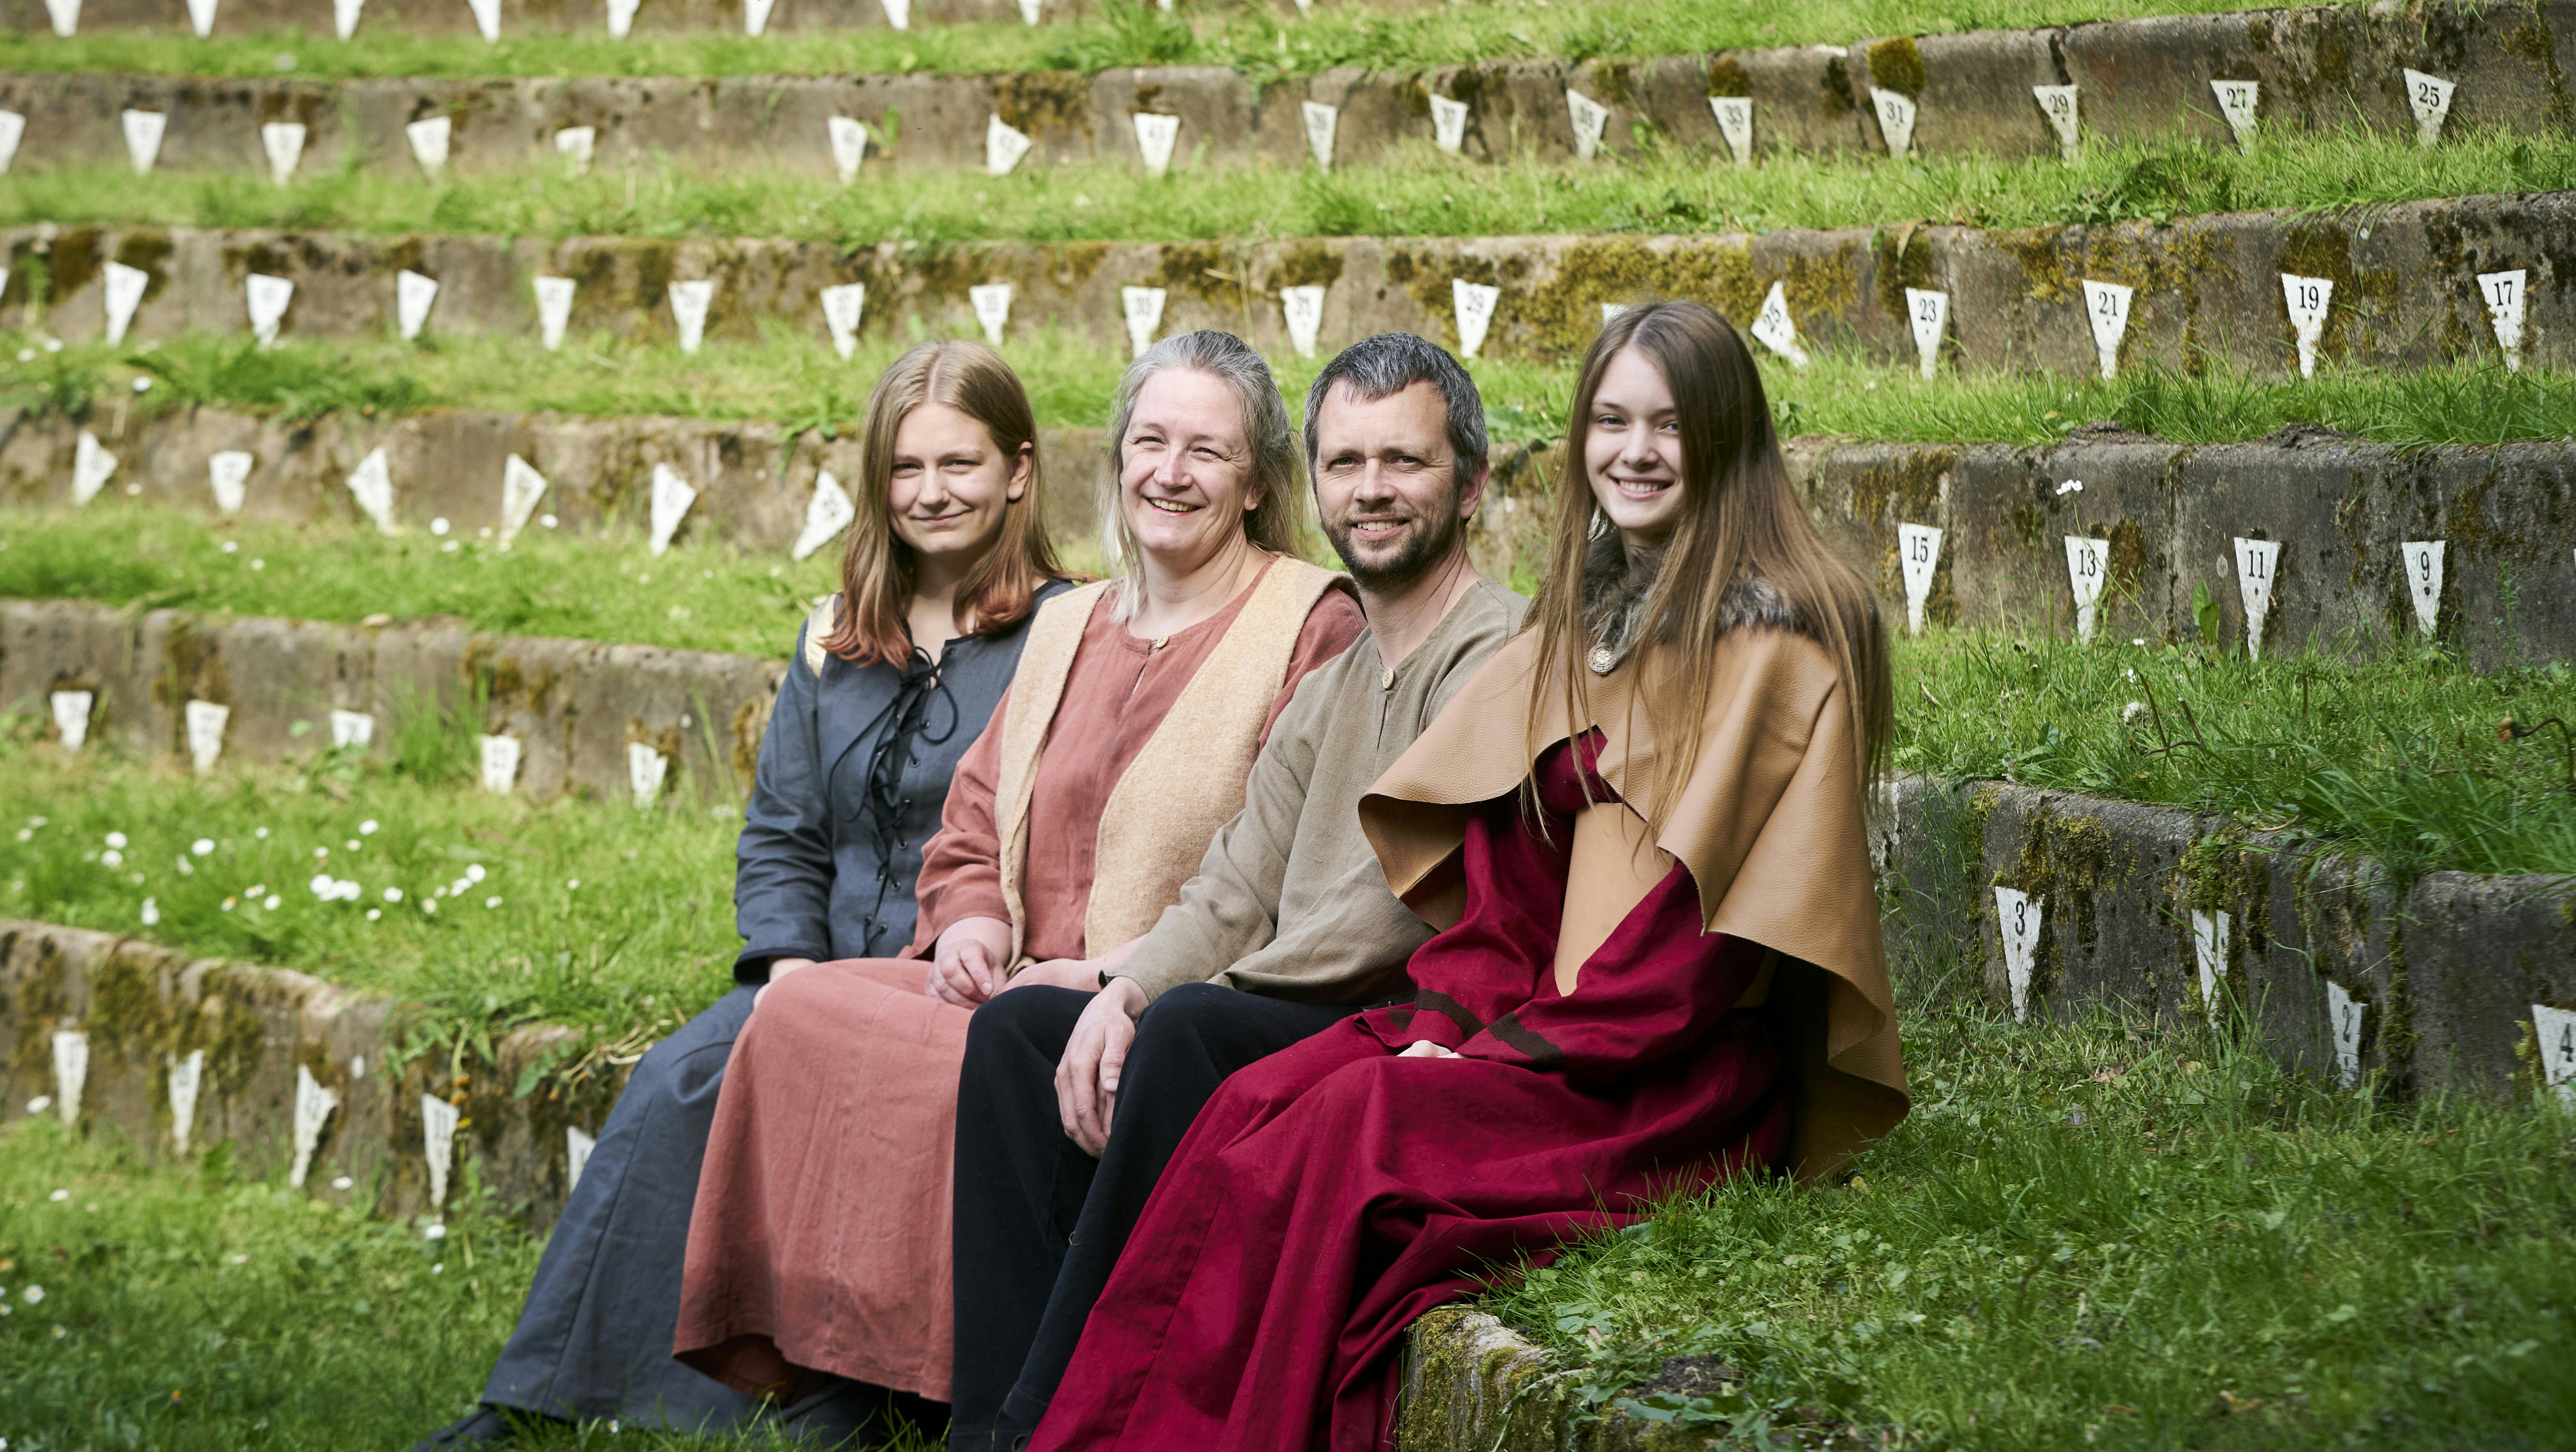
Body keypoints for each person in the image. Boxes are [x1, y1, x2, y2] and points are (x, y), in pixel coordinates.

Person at [1025, 301, 1911, 1452]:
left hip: (1659, 1070)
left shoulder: (1780, 646)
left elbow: (1693, 949)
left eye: (1669, 424)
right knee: (1254, 1100)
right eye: (1609, 419)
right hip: (1540, 1023)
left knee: (1357, 1129)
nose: (1633, 451)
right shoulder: (1585, 622)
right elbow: (1515, 886)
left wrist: (1498, 1053)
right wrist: (1448, 1014)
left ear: (1727, 439)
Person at [673, 331, 1366, 1425]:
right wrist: (967, 919)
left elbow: (1283, 868)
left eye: (1205, 451)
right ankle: (847, 1362)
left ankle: (943, 1383)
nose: (1169, 473)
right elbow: (973, 816)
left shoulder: (1311, 619)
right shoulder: (1071, 618)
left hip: (1158, 990)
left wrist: (1114, 972)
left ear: (1256, 484)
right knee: (798, 1008)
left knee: (973, 1052)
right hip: (1009, 976)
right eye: (1149, 441)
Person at [415, 340, 1071, 1449]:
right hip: (816, 970)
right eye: (905, 468)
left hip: (951, 984)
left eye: (958, 463)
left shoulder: (1065, 636)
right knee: (682, 1078)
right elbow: (782, 832)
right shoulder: (831, 640)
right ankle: (533, 1395)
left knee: (894, 1105)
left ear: (1016, 471)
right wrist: (785, 968)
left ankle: (847, 1386)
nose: (932, 491)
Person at [947, 333, 1530, 1452]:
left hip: (1405, 1018)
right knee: (1024, 1029)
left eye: (1402, 461)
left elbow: (1397, 906)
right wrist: (1119, 981)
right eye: (1345, 461)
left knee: (1189, 1024)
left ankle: (1062, 1425)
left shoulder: (1498, 648)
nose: (1370, 489)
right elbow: (1236, 879)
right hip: (1278, 995)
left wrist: (1171, 997)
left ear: (1471, 482)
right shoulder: (1340, 675)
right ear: (1310, 481)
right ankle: (986, 1426)